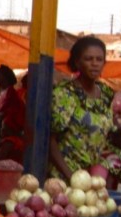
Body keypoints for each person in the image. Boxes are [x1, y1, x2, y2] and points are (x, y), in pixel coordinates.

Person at [49, 35, 115, 180]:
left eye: (99, 59)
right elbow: (50, 140)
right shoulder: (65, 95)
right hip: (64, 178)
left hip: (93, 178)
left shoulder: (106, 94)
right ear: (77, 62)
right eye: (88, 59)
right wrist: (70, 177)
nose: (94, 64)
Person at [0, 64, 25, 163]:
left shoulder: (12, 94)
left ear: (4, 77)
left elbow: (10, 112)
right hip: (0, 126)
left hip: (8, 126)